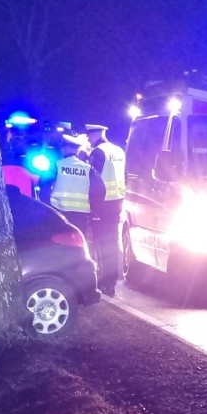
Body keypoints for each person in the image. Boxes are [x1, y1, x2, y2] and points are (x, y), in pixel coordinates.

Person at [86, 124, 126, 297]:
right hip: (117, 202)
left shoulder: (98, 152)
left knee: (101, 244)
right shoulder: (119, 151)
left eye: (89, 137)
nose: (88, 140)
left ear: (94, 135)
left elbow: (94, 180)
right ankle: (112, 281)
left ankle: (105, 282)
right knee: (112, 241)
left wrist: (92, 206)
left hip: (102, 204)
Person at [49, 134, 105, 237]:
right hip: (81, 215)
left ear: (65, 148)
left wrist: (47, 207)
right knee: (80, 244)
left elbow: (44, 186)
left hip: (59, 213)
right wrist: (93, 208)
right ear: (77, 150)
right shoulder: (88, 169)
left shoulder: (57, 165)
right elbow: (100, 190)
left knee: (60, 243)